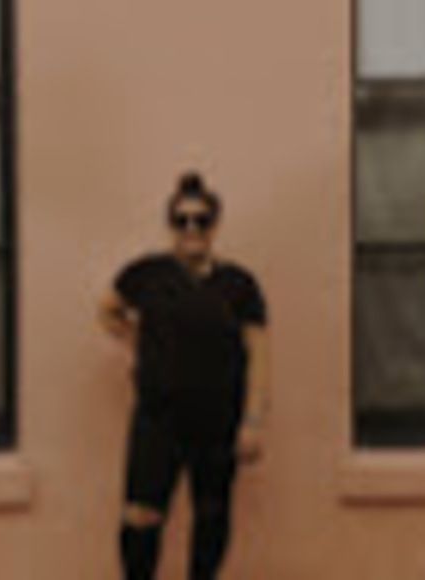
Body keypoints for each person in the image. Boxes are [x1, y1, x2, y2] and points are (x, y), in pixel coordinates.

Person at [97, 171, 271, 580]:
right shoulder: (146, 273)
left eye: (201, 220)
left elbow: (260, 357)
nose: (191, 228)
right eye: (182, 220)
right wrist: (137, 340)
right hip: (157, 420)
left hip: (218, 423)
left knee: (211, 517)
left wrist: (252, 420)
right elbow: (107, 309)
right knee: (139, 517)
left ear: (215, 225)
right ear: (171, 224)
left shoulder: (240, 284)